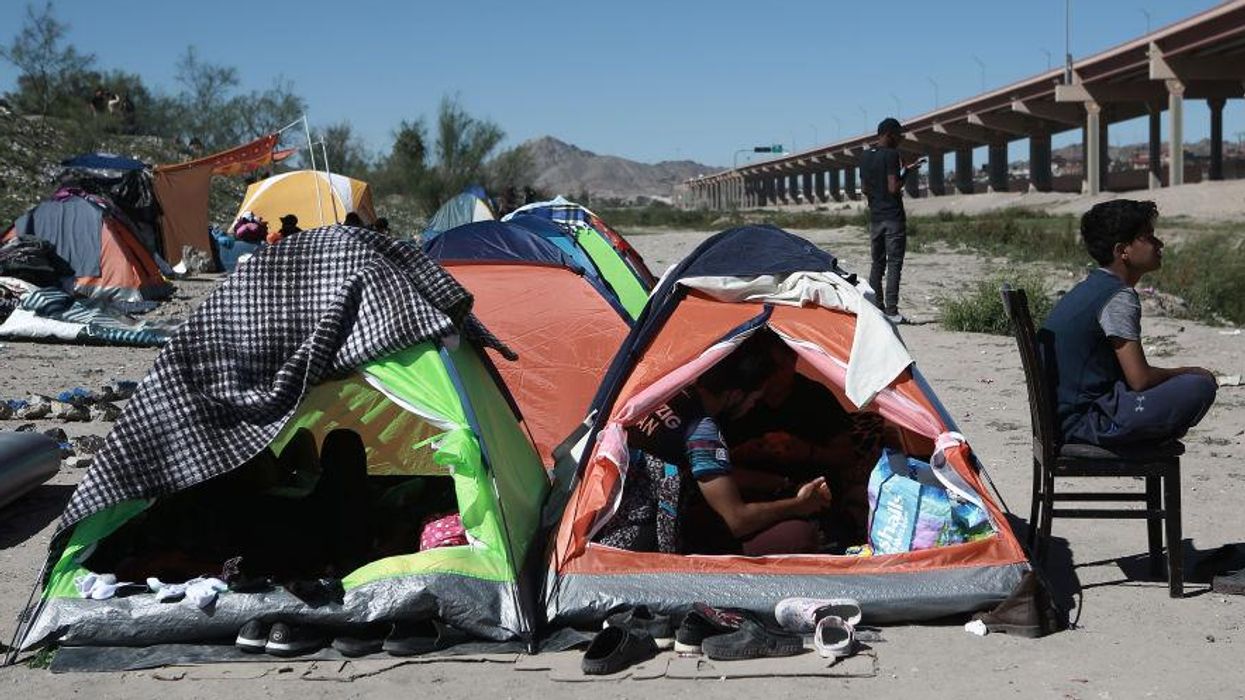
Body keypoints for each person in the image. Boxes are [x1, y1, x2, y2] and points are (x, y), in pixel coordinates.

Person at [614, 333, 834, 556]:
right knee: (800, 533)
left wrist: (781, 483)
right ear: (735, 394)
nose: (752, 407)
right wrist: (799, 504)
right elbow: (737, 520)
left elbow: (713, 477)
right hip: (644, 544)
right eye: (754, 399)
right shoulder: (702, 430)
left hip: (611, 521)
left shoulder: (667, 394)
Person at [1041, 200, 1217, 448]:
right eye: (1148, 237)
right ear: (1122, 250)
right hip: (1086, 423)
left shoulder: (1092, 287)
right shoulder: (1118, 297)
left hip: (1066, 417)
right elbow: (1140, 379)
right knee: (1199, 386)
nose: (1159, 244)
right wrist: (1187, 371)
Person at [722, 332, 889, 545]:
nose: (769, 377)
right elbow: (717, 462)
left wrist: (807, 452)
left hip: (814, 493)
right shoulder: (742, 401)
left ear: (793, 360)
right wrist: (744, 452)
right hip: (753, 496)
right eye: (763, 368)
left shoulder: (815, 397)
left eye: (775, 368)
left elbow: (846, 456)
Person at [859, 117, 922, 325]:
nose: (901, 139)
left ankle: (876, 308)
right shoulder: (892, 155)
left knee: (877, 263)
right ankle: (892, 311)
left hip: (875, 218)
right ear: (889, 134)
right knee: (894, 263)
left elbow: (865, 189)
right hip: (893, 217)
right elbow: (894, 187)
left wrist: (876, 200)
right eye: (899, 135)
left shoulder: (865, 156)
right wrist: (908, 172)